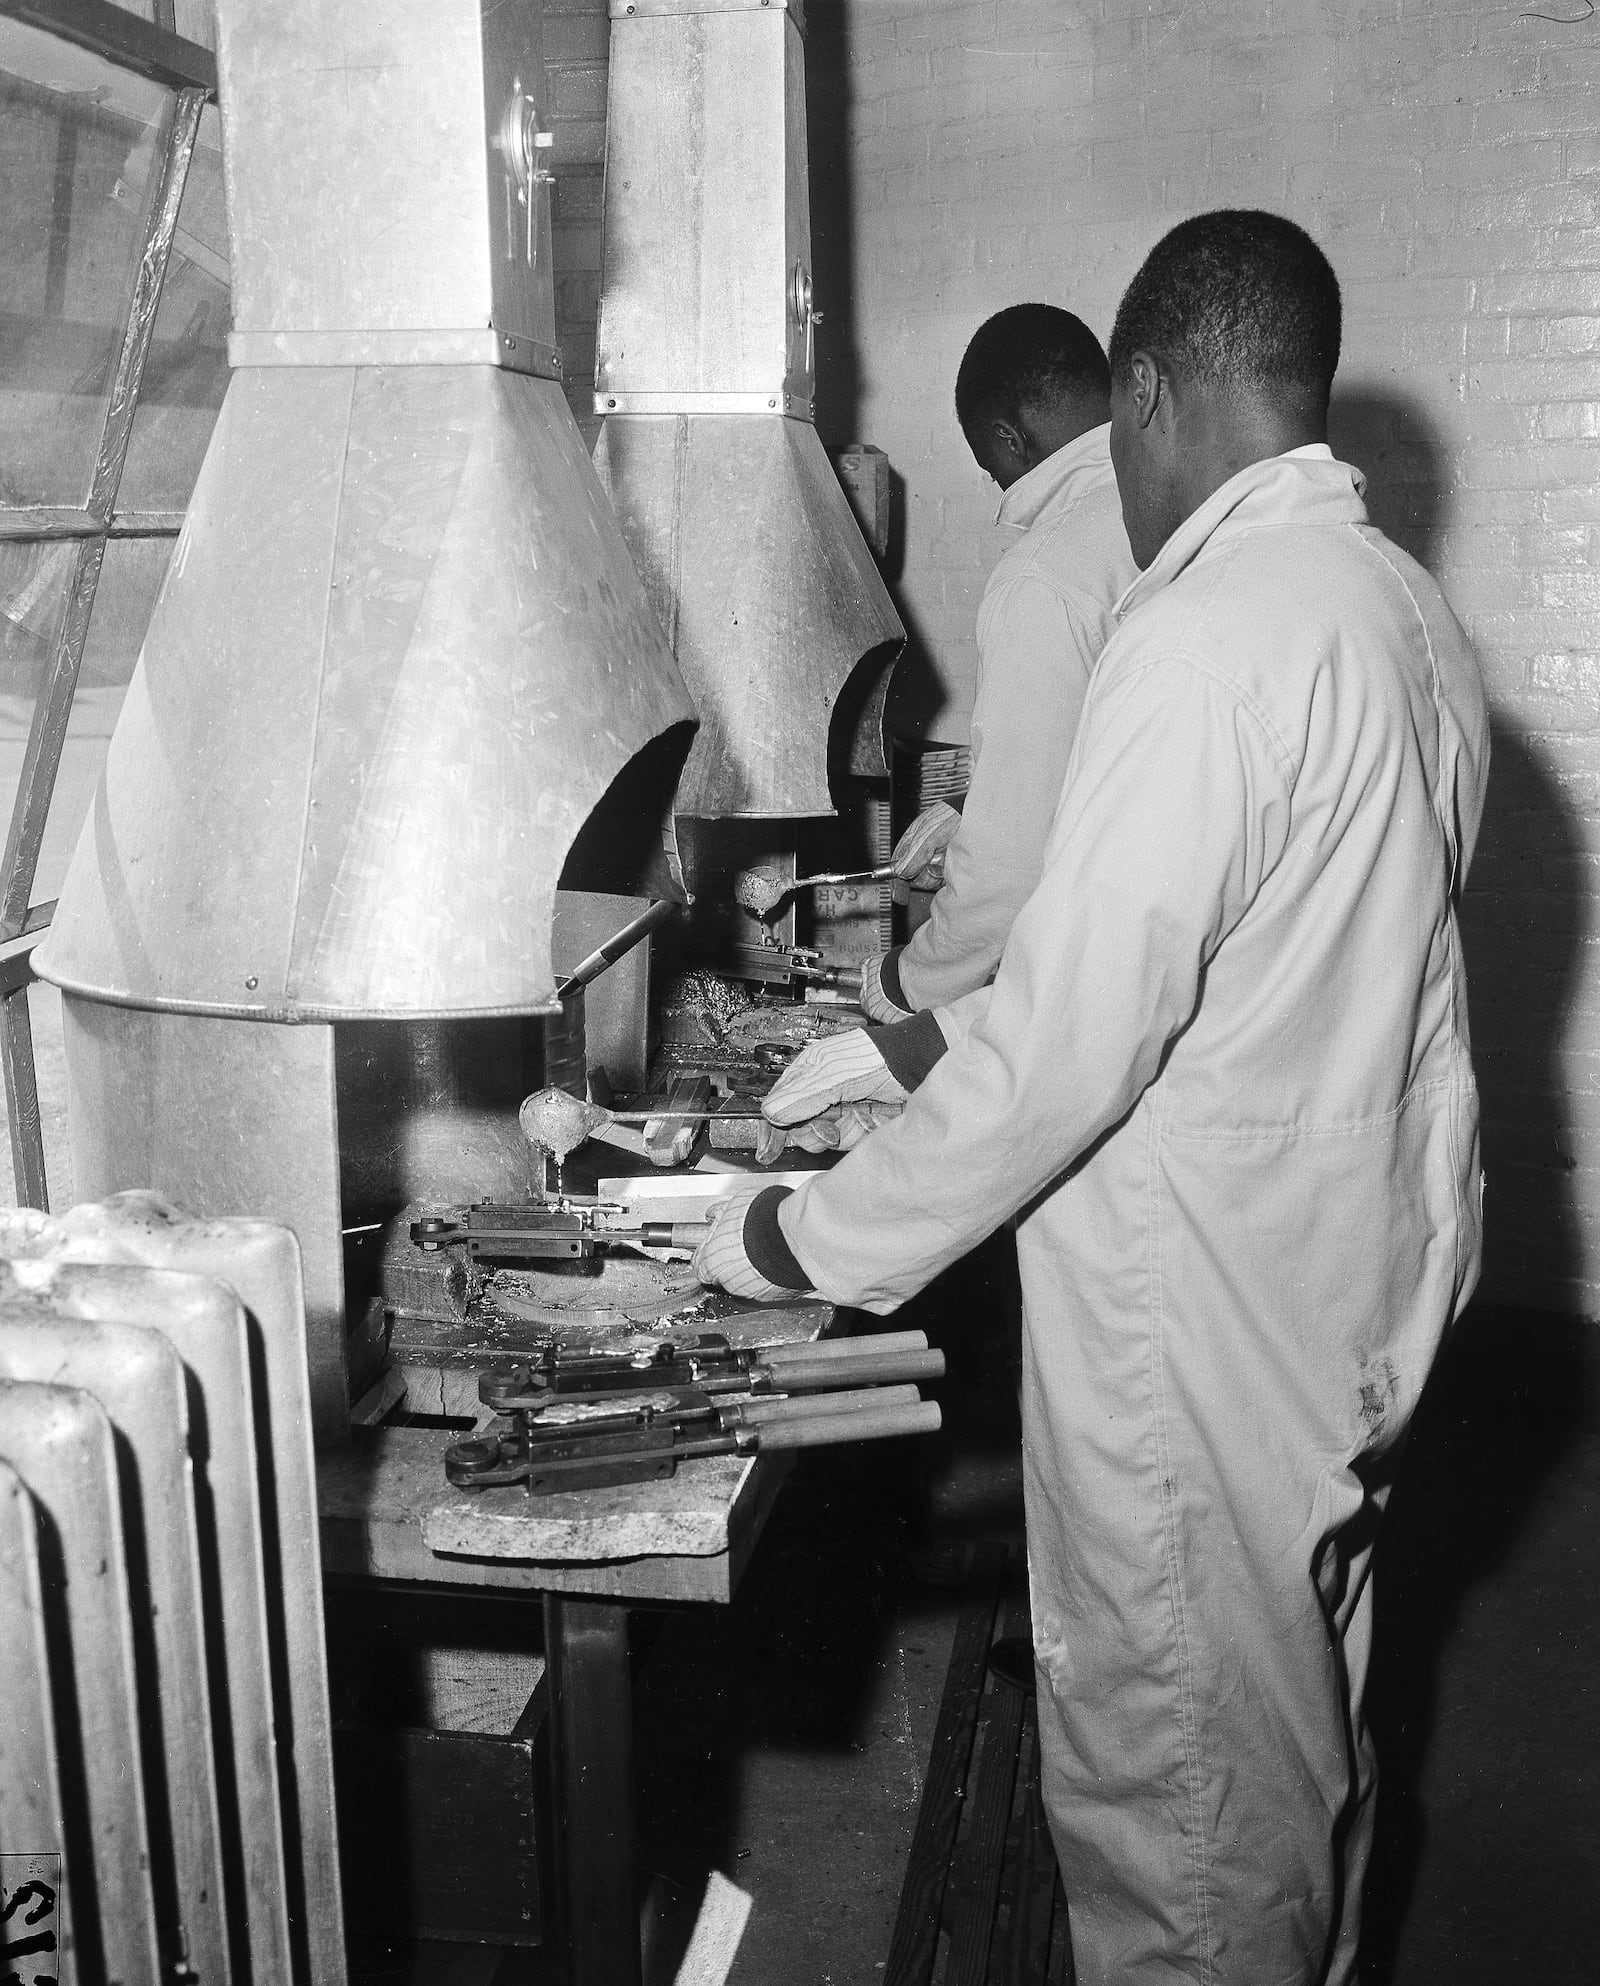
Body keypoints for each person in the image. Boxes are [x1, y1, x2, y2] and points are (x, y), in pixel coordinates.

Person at [696, 210, 1489, 1985]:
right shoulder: (1402, 612)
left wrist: (797, 1233)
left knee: (1182, 1813)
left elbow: (1070, 1042)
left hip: (1196, 1320)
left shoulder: (1207, 637)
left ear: (1147, 393)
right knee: (1302, 1760)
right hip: (1345, 1289)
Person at [857, 303, 1137, 1028]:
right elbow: (1104, 754)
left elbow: (1008, 881)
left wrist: (907, 985)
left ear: (1011, 437)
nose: (997, 485)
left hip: (1105, 982)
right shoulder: (1167, 513)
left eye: (991, 468)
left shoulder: (1043, 574)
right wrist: (972, 813)